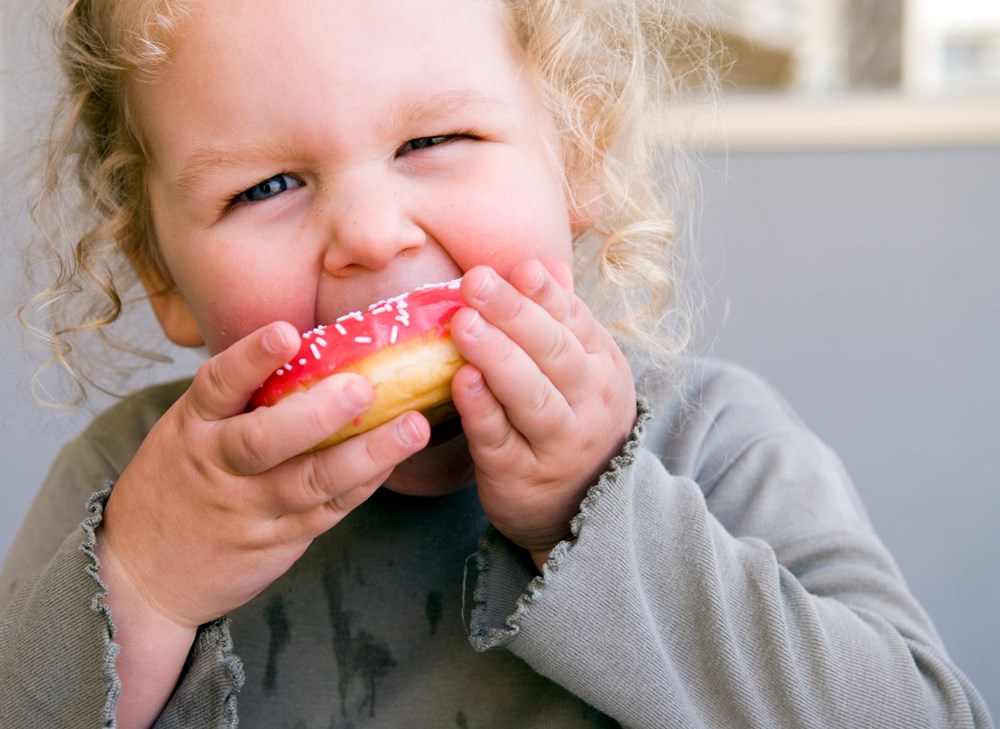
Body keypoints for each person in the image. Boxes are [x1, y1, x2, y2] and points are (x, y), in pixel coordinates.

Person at [0, 0, 993, 727]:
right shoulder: (131, 488)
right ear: (161, 273)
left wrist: (591, 513)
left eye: (433, 138)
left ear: (581, 155)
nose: (370, 234)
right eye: (265, 186)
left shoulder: (712, 443)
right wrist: (149, 591)